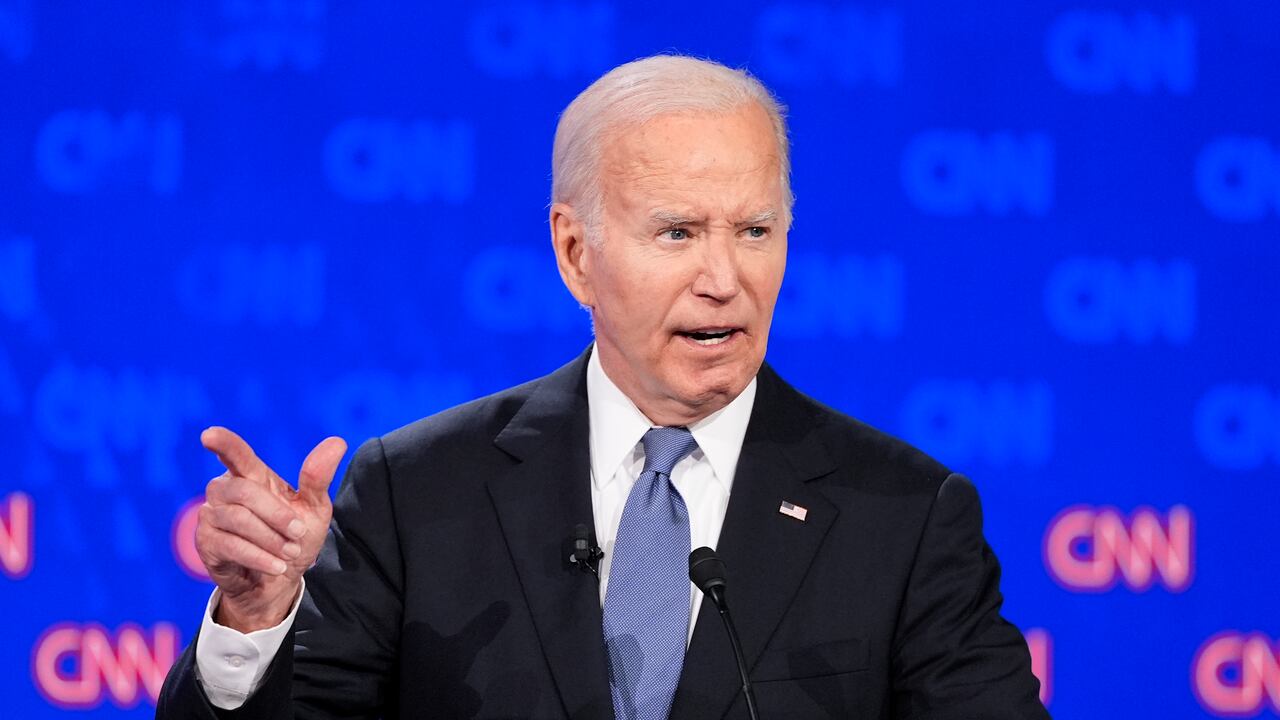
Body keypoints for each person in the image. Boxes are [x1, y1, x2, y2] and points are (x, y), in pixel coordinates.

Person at [157, 54, 1049, 719]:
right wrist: (258, 612)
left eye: (754, 229)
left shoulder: (903, 513)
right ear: (575, 252)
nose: (724, 277)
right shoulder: (415, 491)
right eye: (677, 233)